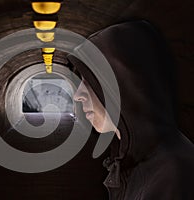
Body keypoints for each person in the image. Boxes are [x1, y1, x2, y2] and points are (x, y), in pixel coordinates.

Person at [68, 20, 194, 200]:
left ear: (125, 84)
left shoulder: (173, 177)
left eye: (91, 79)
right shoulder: (140, 162)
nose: (77, 95)